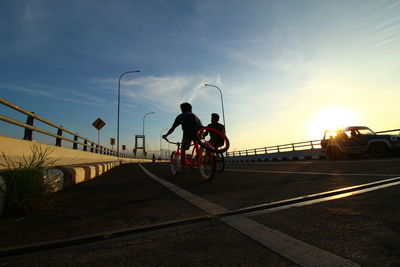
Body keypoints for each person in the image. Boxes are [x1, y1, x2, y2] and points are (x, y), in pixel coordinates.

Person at [162, 102, 203, 172]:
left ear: (182, 109)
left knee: (183, 149)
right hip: (198, 133)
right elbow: (201, 126)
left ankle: (183, 168)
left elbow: (173, 128)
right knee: (197, 145)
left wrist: (166, 135)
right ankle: (200, 161)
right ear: (191, 109)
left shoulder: (181, 116)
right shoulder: (196, 116)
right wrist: (202, 135)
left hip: (188, 134)